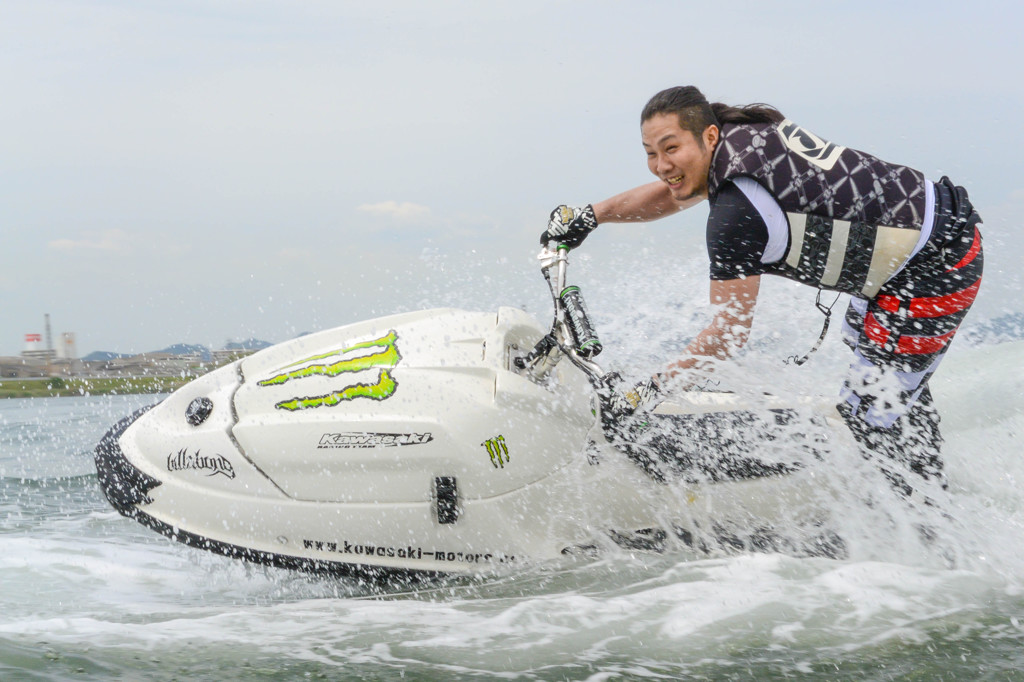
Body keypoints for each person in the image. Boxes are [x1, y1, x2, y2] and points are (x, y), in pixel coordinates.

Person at [540, 85, 984, 493]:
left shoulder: (734, 216)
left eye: (671, 148)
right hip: (917, 248)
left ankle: (927, 530)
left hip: (934, 264)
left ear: (708, 136)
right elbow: (674, 191)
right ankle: (927, 466)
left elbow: (728, 334)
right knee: (872, 357)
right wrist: (592, 215)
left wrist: (649, 391)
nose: (661, 165)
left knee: (868, 418)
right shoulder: (739, 136)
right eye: (651, 153)